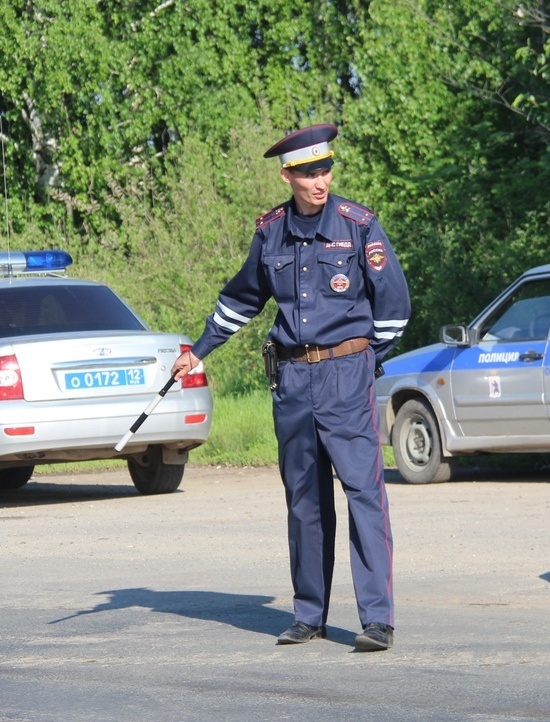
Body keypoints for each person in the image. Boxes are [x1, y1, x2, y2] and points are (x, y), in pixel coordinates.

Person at [170, 124, 411, 651]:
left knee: (363, 494)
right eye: (307, 173)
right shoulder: (271, 231)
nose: (319, 181)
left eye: (325, 169)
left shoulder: (359, 225)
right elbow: (242, 298)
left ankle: (377, 620)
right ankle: (309, 614)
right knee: (304, 499)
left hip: (346, 375)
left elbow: (393, 308)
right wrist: (198, 349)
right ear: (288, 176)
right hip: (293, 380)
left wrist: (363, 360)